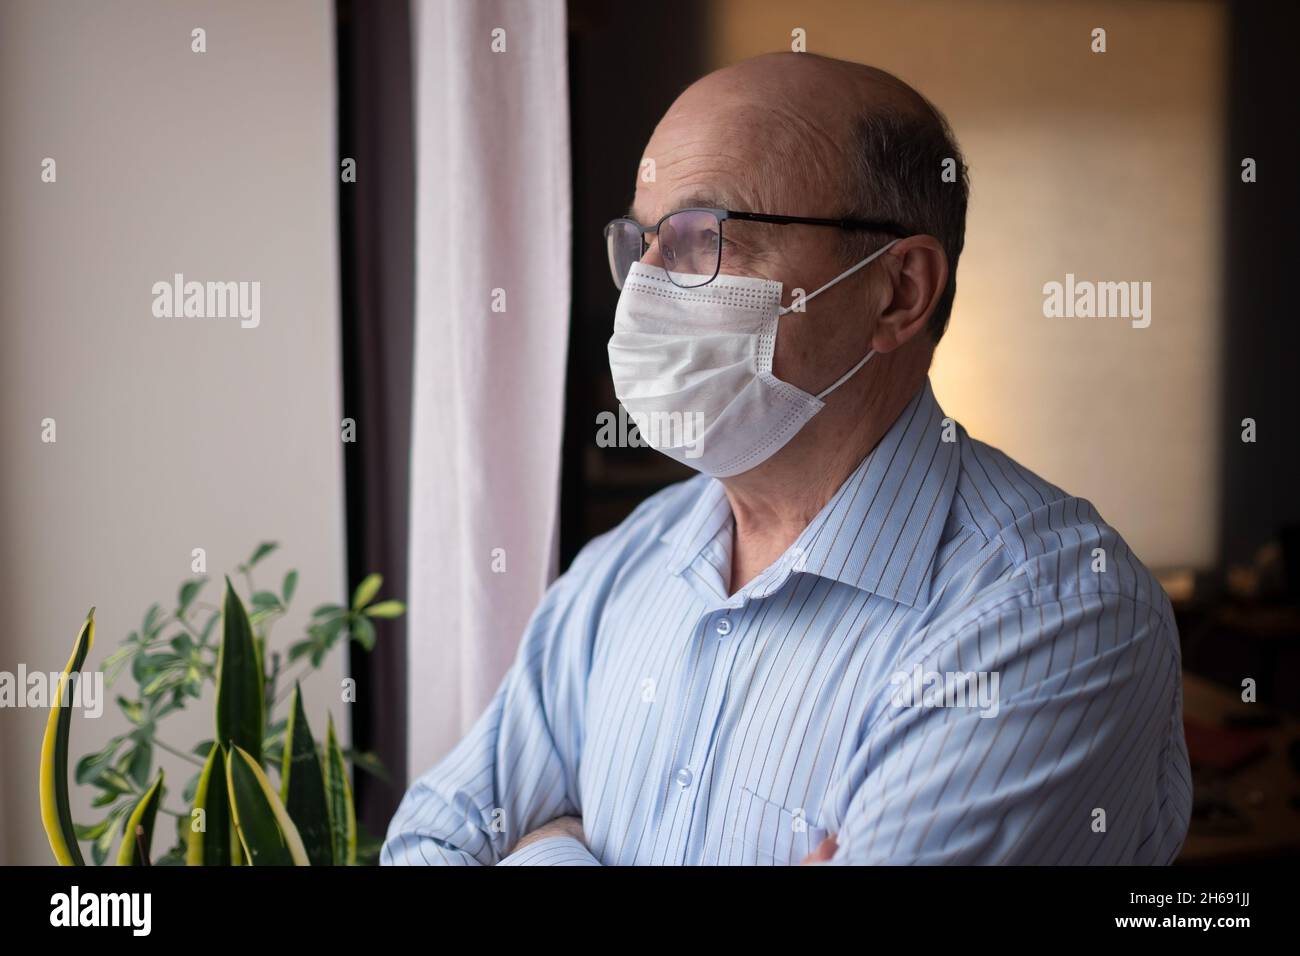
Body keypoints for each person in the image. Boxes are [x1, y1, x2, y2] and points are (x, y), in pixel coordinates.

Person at [382, 52, 1190, 865]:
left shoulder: (1058, 613)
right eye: (643, 241)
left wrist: (541, 849)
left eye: (707, 236)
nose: (645, 287)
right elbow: (426, 842)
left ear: (898, 291)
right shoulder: (628, 564)